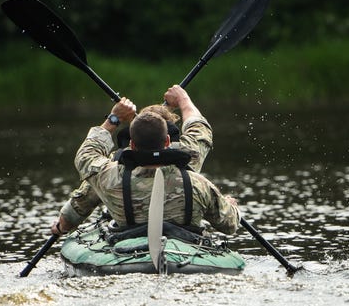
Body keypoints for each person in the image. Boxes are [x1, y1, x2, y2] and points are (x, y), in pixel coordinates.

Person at [56, 85, 240, 235]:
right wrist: (183, 98)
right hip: (183, 248)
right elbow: (230, 225)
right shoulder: (196, 177)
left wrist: (114, 118)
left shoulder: (108, 176)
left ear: (132, 144)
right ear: (168, 140)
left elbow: (87, 155)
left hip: (127, 245)